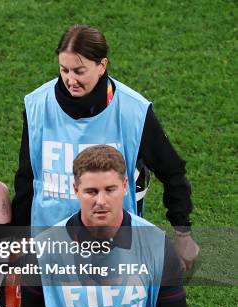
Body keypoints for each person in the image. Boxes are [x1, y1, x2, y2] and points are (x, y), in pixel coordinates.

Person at [12, 24, 199, 270]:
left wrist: (182, 233)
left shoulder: (134, 111)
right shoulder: (37, 105)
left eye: (79, 71)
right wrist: (16, 240)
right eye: (63, 70)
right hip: (51, 248)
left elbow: (172, 170)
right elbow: (27, 177)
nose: (70, 79)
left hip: (114, 249)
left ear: (102, 66)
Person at [12, 145, 193, 307]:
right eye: (91, 191)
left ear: (125, 186)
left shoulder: (155, 245)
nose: (101, 201)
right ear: (76, 190)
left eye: (110, 189)